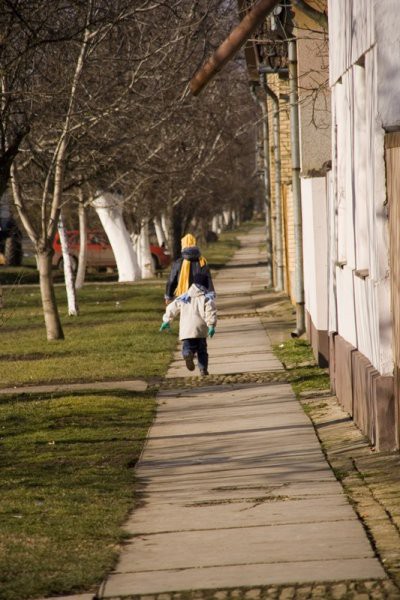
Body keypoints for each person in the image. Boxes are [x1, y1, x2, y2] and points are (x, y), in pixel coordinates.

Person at [160, 272, 217, 376]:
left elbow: (171, 308)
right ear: (204, 286)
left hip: (187, 330)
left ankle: (187, 354)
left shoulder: (183, 297)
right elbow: (211, 312)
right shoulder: (206, 299)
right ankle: (203, 368)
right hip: (200, 330)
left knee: (188, 346)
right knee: (202, 351)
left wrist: (166, 321)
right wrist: (211, 325)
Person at [165, 233, 214, 304]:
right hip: (199, 297)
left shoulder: (178, 263)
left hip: (183, 297)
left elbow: (172, 280)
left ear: (183, 245)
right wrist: (210, 294)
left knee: (185, 314)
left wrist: (168, 296)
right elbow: (207, 278)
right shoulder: (202, 261)